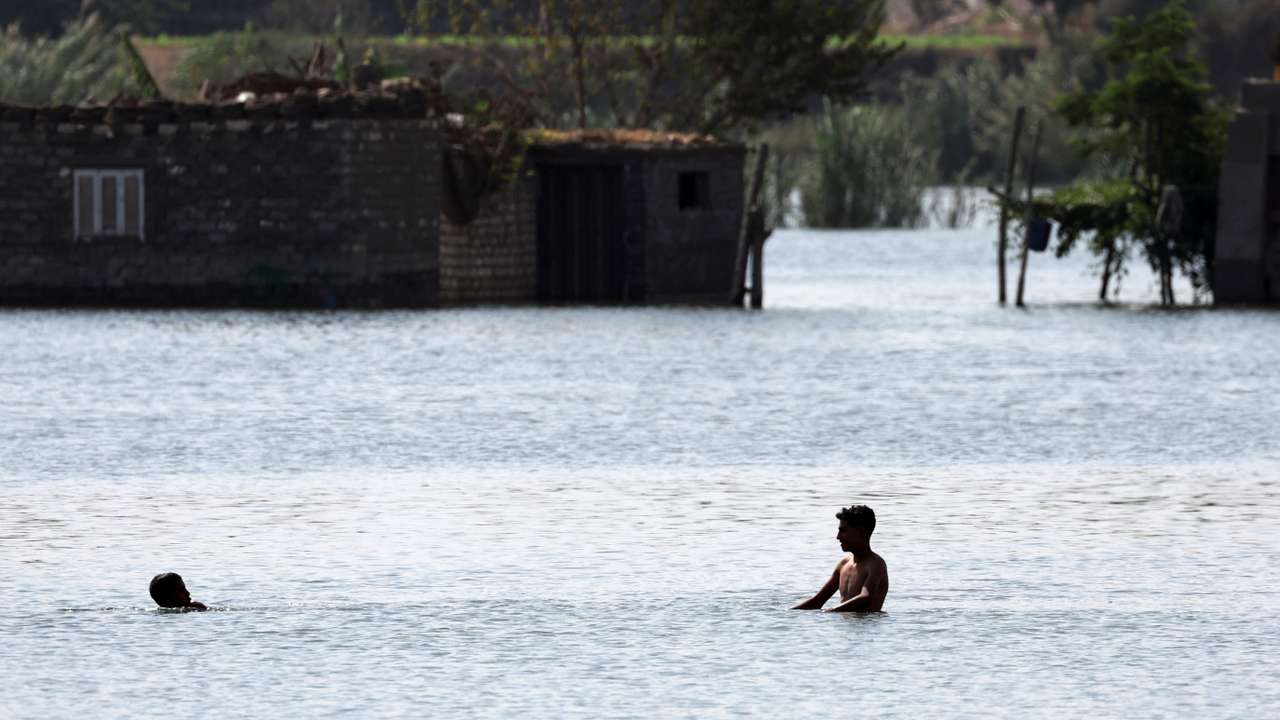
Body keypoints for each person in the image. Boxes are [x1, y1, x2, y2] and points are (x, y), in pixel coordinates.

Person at [791, 504, 889, 612]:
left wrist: (832, 611)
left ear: (860, 532)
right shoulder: (843, 564)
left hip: (866, 627)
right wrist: (787, 613)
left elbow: (865, 597)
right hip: (843, 627)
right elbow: (818, 601)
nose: (838, 536)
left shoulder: (875, 564)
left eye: (843, 530)